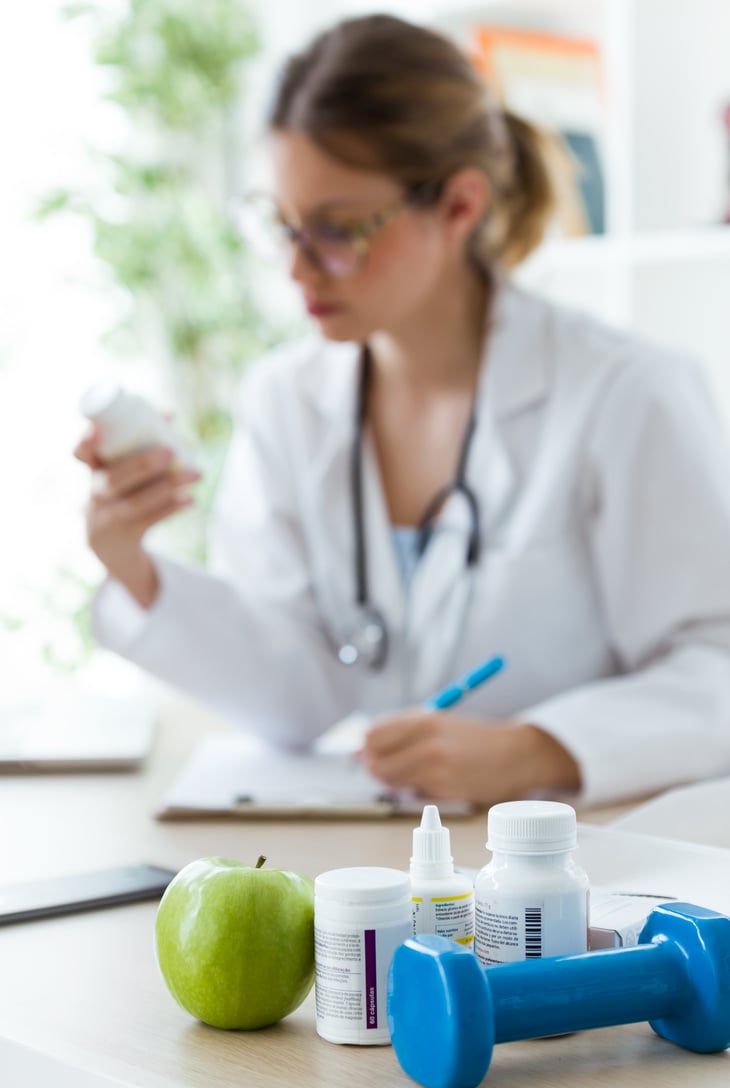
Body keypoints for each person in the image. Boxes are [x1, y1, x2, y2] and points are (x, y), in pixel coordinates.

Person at [75, 14, 730, 808]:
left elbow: (715, 665)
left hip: (573, 874)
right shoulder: (288, 402)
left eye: (338, 230)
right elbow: (300, 696)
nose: (297, 267)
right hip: (377, 865)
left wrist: (538, 749)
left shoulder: (625, 393)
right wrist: (135, 571)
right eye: (283, 225)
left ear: (458, 206)